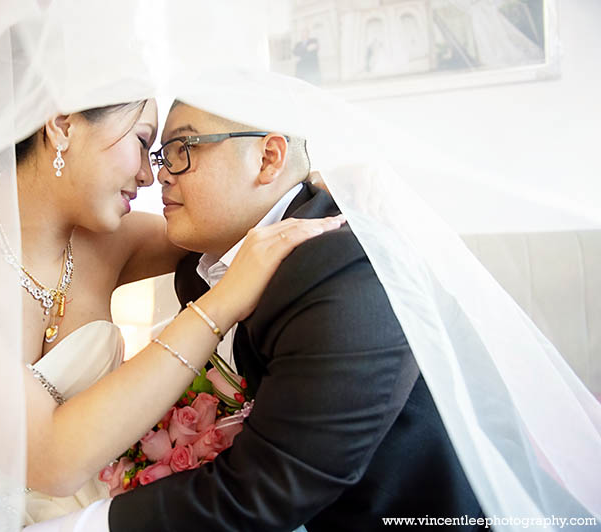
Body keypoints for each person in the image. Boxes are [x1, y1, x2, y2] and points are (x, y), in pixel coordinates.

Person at [0, 97, 344, 530]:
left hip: (88, 515)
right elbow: (51, 461)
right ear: (62, 125)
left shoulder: (112, 242)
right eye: (142, 140)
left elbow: (236, 221)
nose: (150, 175)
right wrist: (221, 303)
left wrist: (303, 187)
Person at [44, 102, 486, 531]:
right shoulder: (198, 269)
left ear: (268, 158)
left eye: (184, 150)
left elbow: (271, 488)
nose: (159, 172)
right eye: (163, 154)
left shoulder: (348, 269)